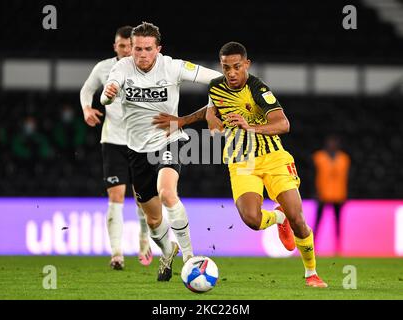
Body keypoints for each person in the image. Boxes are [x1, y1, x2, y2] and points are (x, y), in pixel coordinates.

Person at [163, 42, 327, 287]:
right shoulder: (216, 87)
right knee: (252, 219)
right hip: (241, 162)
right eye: (226, 67)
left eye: (236, 67)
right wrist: (183, 121)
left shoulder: (258, 89)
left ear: (246, 65)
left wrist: (250, 127)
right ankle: (277, 218)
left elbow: (283, 124)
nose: (231, 73)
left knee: (298, 217)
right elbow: (212, 109)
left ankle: (311, 272)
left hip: (273, 159)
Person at [100, 22, 222, 281]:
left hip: (168, 140)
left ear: (158, 49)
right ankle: (168, 251)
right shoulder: (121, 67)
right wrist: (108, 96)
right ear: (130, 48)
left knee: (168, 193)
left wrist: (211, 109)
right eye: (137, 49)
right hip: (135, 149)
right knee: (153, 221)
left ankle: (189, 258)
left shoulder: (172, 66)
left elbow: (217, 79)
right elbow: (106, 97)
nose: (141, 54)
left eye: (147, 49)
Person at [80, 26, 152, 270]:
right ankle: (117, 254)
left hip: (140, 141)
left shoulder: (145, 68)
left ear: (134, 46)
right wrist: (87, 108)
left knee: (142, 199)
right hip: (112, 141)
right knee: (116, 195)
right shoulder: (103, 68)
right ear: (115, 47)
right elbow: (86, 90)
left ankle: (144, 243)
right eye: (120, 46)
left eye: (128, 46)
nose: (124, 50)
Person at [312, 135, 350, 253]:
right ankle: (312, 246)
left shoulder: (344, 158)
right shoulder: (318, 157)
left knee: (338, 223)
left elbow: (347, 178)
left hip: (338, 195)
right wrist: (315, 192)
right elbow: (312, 176)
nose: (332, 145)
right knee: (318, 222)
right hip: (322, 195)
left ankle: (338, 248)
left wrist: (346, 194)